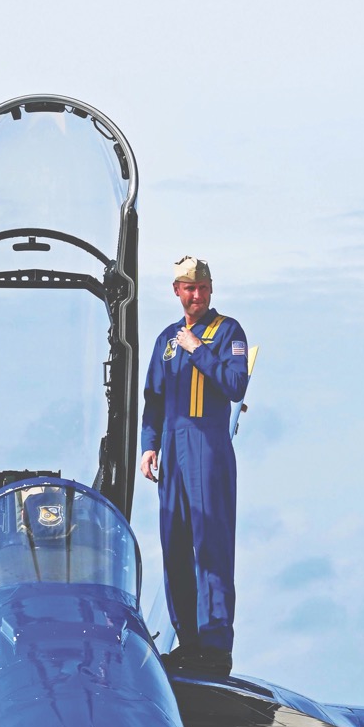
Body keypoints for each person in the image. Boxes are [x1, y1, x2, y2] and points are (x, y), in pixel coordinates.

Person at [140, 256, 250, 675]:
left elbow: (236, 384)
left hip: (209, 450)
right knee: (175, 547)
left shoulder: (228, 332)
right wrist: (149, 446)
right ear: (177, 291)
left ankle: (216, 645)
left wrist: (199, 350)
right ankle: (187, 642)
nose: (198, 296)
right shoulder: (166, 339)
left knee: (211, 546)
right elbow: (153, 398)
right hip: (173, 452)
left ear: (211, 289)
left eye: (203, 288)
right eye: (190, 288)